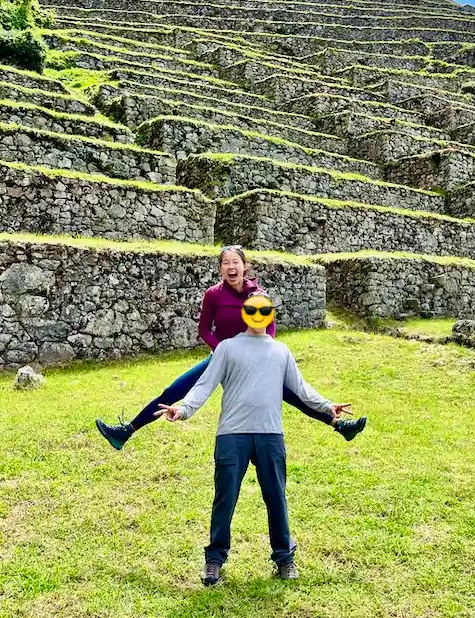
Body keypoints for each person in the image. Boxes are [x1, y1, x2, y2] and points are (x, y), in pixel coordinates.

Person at [156, 293, 347, 584]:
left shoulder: (281, 351)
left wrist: (326, 405)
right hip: (232, 435)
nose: (258, 314)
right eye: (252, 309)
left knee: (276, 498)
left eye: (264, 310)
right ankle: (214, 560)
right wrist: (183, 409)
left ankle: (284, 559)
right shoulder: (228, 349)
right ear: (244, 313)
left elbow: (301, 388)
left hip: (270, 435)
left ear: (270, 315)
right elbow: (203, 386)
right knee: (225, 498)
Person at [96, 245, 366, 449]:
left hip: (256, 357)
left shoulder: (257, 295)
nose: (230, 266)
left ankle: (339, 425)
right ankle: (126, 431)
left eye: (235, 261)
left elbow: (270, 328)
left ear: (244, 266)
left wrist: (262, 349)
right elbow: (204, 329)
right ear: (221, 269)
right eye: (225, 263)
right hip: (222, 358)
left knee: (290, 393)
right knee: (175, 390)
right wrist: (221, 350)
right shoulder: (213, 295)